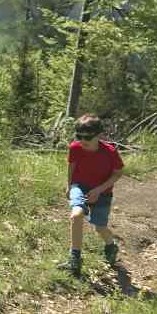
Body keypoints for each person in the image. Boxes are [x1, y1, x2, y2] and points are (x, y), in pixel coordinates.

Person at [60, 114, 124, 278]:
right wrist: (69, 186)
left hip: (103, 191)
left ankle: (111, 245)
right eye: (79, 136)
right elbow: (71, 166)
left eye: (87, 136)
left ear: (99, 134)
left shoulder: (110, 152)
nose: (83, 140)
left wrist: (99, 190)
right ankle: (75, 259)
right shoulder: (75, 148)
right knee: (76, 215)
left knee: (99, 227)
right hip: (79, 186)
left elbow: (118, 173)